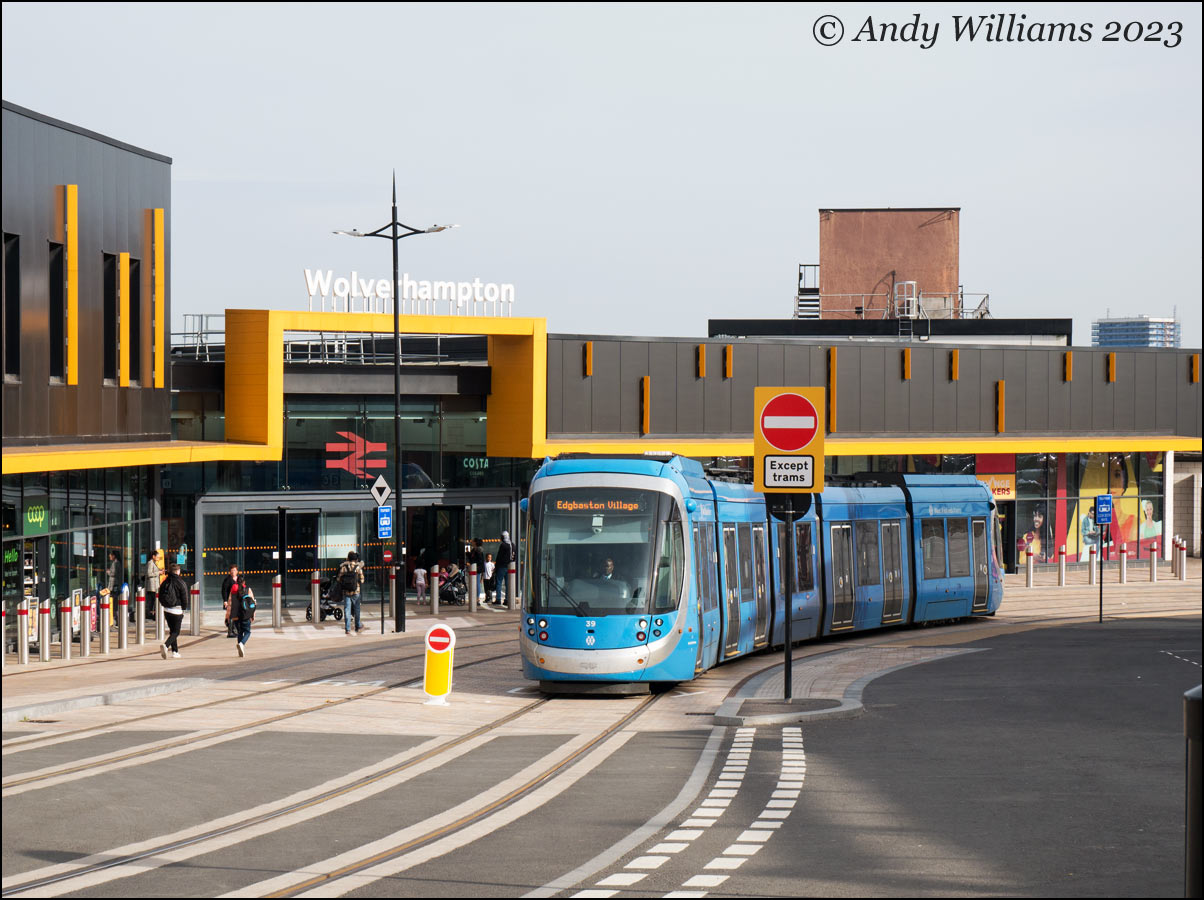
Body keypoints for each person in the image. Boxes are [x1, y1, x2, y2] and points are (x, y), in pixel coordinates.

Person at [158, 563, 188, 659]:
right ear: (178, 571)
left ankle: (175, 652)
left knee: (172, 631)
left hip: (167, 610)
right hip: (177, 610)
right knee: (176, 632)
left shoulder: (165, 582)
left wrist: (164, 605)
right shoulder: (181, 582)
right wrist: (184, 608)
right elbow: (184, 597)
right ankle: (166, 645)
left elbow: (160, 595)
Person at [337, 551, 365, 634]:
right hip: (356, 591)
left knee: (347, 610)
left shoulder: (344, 567)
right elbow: (362, 580)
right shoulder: (358, 568)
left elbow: (339, 579)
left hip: (346, 591)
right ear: (356, 559)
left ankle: (347, 629)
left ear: (348, 558)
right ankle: (357, 626)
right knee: (357, 609)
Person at [229, 582, 256, 657]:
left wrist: (228, 616)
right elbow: (252, 604)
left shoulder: (233, 591)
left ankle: (240, 650)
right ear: (244, 583)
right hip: (246, 616)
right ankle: (242, 644)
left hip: (237, 616)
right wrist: (253, 615)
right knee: (247, 632)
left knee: (240, 632)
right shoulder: (247, 590)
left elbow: (230, 604)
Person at [221, 565, 246, 638]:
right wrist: (225, 601)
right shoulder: (227, 580)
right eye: (231, 571)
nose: (233, 572)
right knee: (231, 615)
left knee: (237, 615)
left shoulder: (239, 579)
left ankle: (236, 630)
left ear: (237, 571)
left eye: (234, 570)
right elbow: (224, 591)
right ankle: (230, 632)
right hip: (231, 600)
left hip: (238, 600)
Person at [495, 531, 514, 608]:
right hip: (510, 566)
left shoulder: (503, 545)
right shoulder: (512, 545)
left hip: (502, 566)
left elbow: (499, 556)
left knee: (499, 582)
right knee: (508, 583)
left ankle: (498, 599)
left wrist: (496, 566)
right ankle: (507, 599)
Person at [143, 549, 164, 622]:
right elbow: (149, 574)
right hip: (152, 586)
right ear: (153, 556)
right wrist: (158, 572)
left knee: (153, 600)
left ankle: (152, 614)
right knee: (153, 600)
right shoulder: (150, 563)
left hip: (154, 585)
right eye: (157, 556)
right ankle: (151, 614)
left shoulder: (153, 563)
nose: (158, 558)